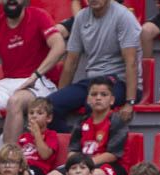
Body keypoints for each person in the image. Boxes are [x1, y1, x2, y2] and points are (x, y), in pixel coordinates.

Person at [47, 0, 139, 132]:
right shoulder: (81, 17)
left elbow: (131, 62)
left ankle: (91, 146)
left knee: (95, 102)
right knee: (50, 106)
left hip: (120, 81)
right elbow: (71, 61)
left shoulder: (123, 16)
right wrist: (62, 93)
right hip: (93, 81)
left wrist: (130, 102)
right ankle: (73, 143)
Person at [0, 0, 63, 145]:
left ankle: (10, 157)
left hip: (41, 80)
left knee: (15, 101)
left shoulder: (39, 15)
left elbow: (59, 46)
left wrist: (35, 75)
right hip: (10, 82)